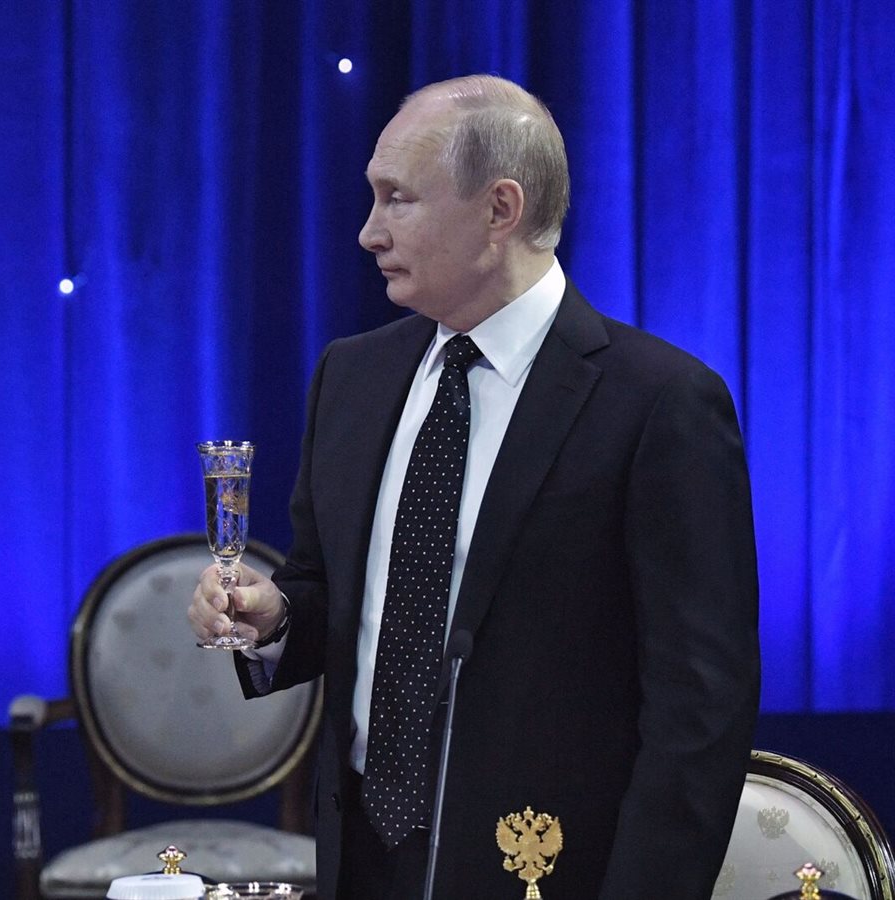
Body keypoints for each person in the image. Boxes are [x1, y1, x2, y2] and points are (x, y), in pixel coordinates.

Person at [188, 74, 760, 899]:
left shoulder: (660, 404)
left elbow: (700, 709)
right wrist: (273, 617)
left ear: (500, 209)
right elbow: (329, 592)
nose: (368, 232)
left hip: (543, 864)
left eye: (397, 199)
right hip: (362, 854)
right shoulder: (351, 376)